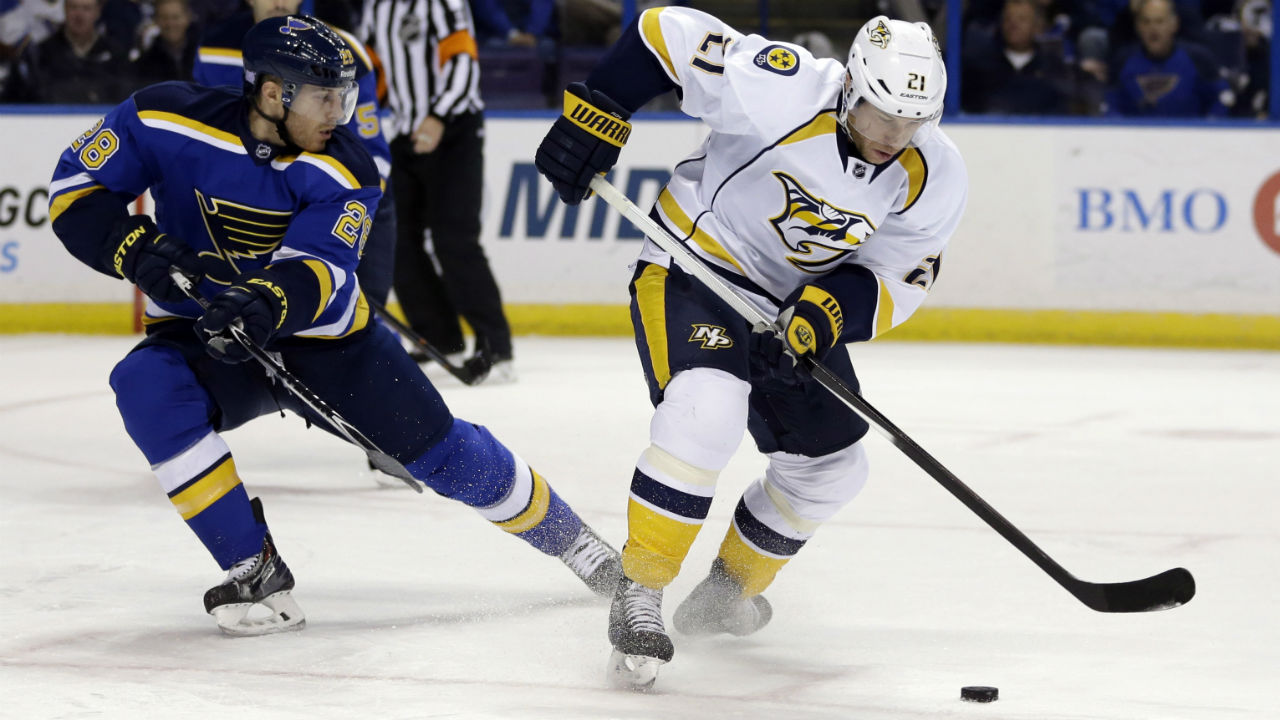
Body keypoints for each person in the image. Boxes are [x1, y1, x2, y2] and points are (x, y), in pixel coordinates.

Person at [47, 15, 621, 637]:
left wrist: (263, 301)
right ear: (273, 94)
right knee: (145, 386)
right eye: (325, 97)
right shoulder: (162, 118)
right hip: (204, 340)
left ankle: (576, 543)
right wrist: (132, 248)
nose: (339, 114)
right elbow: (75, 189)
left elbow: (317, 271)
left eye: (343, 96)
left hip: (327, 345)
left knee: (444, 454)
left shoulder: (348, 167)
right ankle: (253, 566)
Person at [535, 9, 966, 689]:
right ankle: (641, 589)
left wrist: (827, 310)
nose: (893, 136)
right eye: (882, 115)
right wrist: (600, 112)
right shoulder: (785, 87)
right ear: (850, 87)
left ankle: (725, 592)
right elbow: (663, 34)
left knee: (834, 467)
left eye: (912, 122)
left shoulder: (935, 173)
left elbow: (895, 275)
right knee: (708, 411)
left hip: (786, 310)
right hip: (694, 267)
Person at [193, 0, 397, 307]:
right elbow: (211, 134)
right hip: (253, 202)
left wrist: (334, 208)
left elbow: (373, 155)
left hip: (336, 200)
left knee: (358, 317)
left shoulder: (343, 50)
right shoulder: (214, 47)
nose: (279, 2)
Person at [360, 0, 515, 381]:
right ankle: (440, 337)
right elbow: (370, 65)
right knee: (399, 241)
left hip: (454, 130)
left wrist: (438, 115)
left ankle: (496, 346)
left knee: (455, 240)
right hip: (404, 132)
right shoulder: (376, 6)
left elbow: (463, 61)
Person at [1104, 0, 1231, 117]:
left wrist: (1209, 126)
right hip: (1135, 133)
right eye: (1146, 22)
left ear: (1174, 24)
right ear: (1137, 26)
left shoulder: (1198, 59)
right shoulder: (1123, 60)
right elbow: (1111, 105)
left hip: (1189, 132)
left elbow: (1222, 97)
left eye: (1159, 21)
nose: (1153, 29)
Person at [4, 0, 133, 102]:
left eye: (86, 9)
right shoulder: (42, 54)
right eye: (73, 7)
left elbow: (125, 96)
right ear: (64, 9)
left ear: (98, 12)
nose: (79, 15)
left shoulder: (115, 54)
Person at [961, 0, 1072, 114]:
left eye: (1022, 19)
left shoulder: (1051, 67)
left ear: (1037, 26)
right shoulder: (982, 66)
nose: (1013, 24)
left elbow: (1061, 109)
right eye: (1008, 18)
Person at [132, 0, 199, 85]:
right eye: (164, 18)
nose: (170, 24)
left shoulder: (204, 56)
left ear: (187, 18)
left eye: (175, 17)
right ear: (155, 20)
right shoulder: (143, 65)